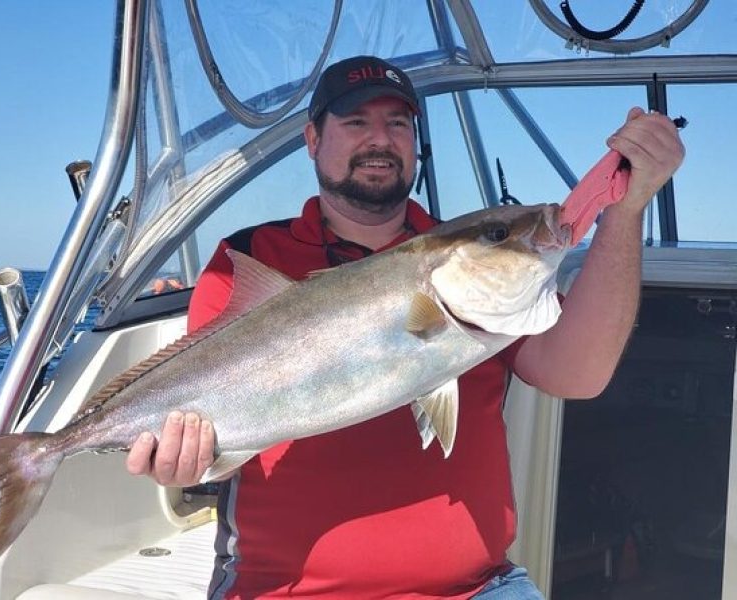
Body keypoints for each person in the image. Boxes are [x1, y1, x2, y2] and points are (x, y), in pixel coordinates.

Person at [126, 55, 684, 598]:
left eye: (398, 123)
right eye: (355, 122)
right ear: (313, 140)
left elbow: (578, 375)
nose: (381, 138)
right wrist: (183, 458)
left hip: (476, 589)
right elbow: (206, 421)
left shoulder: (479, 270)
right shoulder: (250, 256)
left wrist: (625, 211)